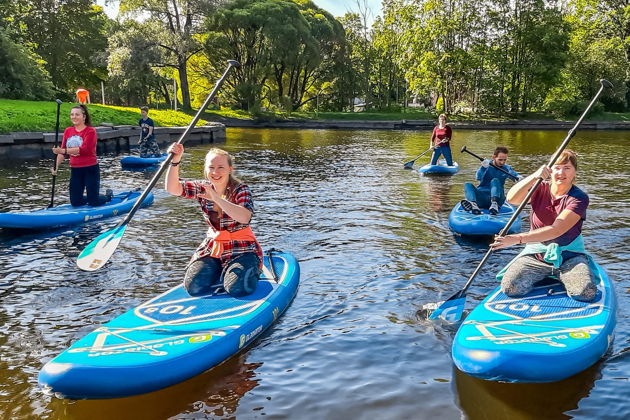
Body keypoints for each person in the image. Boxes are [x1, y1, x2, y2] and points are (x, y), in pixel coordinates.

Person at [490, 150, 597, 302]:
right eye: (557, 167)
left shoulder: (579, 198)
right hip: (537, 256)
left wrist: (517, 239)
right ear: (549, 170)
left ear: (574, 172)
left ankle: (565, 274)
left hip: (569, 256)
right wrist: (534, 176)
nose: (561, 172)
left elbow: (556, 230)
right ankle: (546, 273)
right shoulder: (539, 188)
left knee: (585, 293)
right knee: (510, 288)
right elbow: (512, 198)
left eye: (567, 168)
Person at [165, 145, 262, 297]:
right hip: (214, 247)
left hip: (242, 247)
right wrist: (175, 161)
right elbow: (173, 188)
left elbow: (245, 217)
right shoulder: (202, 187)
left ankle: (248, 268)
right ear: (206, 169)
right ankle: (219, 270)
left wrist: (216, 198)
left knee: (238, 289)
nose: (215, 172)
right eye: (211, 167)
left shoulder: (241, 189)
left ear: (230, 169)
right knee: (193, 287)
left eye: (221, 167)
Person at [52, 105, 112, 207]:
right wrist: (55, 167)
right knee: (75, 203)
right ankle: (91, 197)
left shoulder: (90, 131)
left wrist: (63, 150)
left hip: (90, 169)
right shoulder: (68, 131)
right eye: (72, 114)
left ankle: (107, 196)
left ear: (84, 117)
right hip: (75, 170)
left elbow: (84, 150)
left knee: (94, 202)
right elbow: (62, 153)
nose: (74, 117)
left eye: (77, 114)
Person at [460, 146, 521, 216]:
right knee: (467, 184)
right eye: (500, 160)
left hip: (498, 199)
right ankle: (473, 204)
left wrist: (519, 177)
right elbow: (478, 177)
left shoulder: (507, 168)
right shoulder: (486, 164)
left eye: (504, 160)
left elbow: (513, 174)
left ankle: (494, 204)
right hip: (482, 197)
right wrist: (483, 168)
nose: (502, 162)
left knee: (495, 180)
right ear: (494, 157)